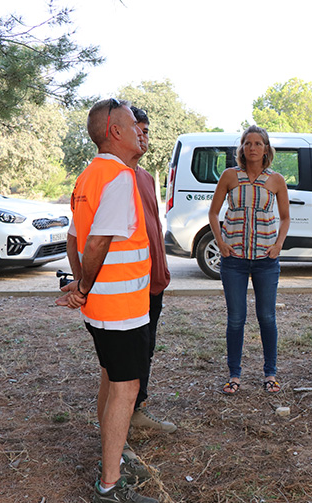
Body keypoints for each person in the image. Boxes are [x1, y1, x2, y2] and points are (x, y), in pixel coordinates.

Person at [57, 98, 161, 503]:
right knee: (125, 386)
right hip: (120, 307)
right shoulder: (118, 177)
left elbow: (72, 239)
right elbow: (97, 241)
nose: (139, 129)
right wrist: (81, 285)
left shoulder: (89, 177)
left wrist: (82, 288)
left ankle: (111, 461)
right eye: (131, 123)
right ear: (113, 131)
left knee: (110, 379)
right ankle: (109, 486)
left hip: (104, 307)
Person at [208, 125, 290, 395]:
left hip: (266, 260)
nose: (253, 147)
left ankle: (270, 374)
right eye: (248, 143)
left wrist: (278, 244)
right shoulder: (230, 176)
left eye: (258, 143)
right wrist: (221, 243)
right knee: (236, 319)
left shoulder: (276, 180)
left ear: (266, 148)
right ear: (242, 148)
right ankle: (234, 375)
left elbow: (286, 217)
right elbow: (213, 213)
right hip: (235, 261)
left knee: (267, 317)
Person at [127, 106, 176, 434]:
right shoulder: (114, 177)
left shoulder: (144, 177)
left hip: (152, 283)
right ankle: (123, 416)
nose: (144, 137)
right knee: (128, 354)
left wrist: (161, 271)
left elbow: (153, 230)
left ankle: (137, 409)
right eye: (138, 130)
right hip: (128, 286)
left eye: (147, 131)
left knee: (146, 347)